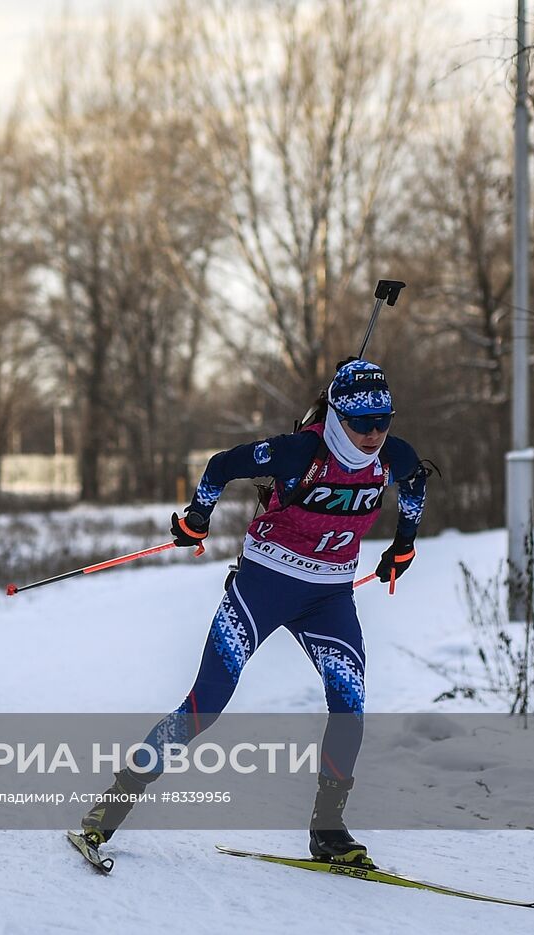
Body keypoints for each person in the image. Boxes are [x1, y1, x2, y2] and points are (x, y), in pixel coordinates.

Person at [79, 358, 430, 865]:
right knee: (205, 706)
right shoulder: (300, 451)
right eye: (361, 423)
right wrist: (198, 516)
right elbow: (222, 465)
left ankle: (328, 832)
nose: (374, 434)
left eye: (383, 421)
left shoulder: (394, 455)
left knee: (349, 704)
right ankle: (113, 805)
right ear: (337, 415)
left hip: (329, 596)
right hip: (263, 585)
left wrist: (404, 545)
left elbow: (416, 486)